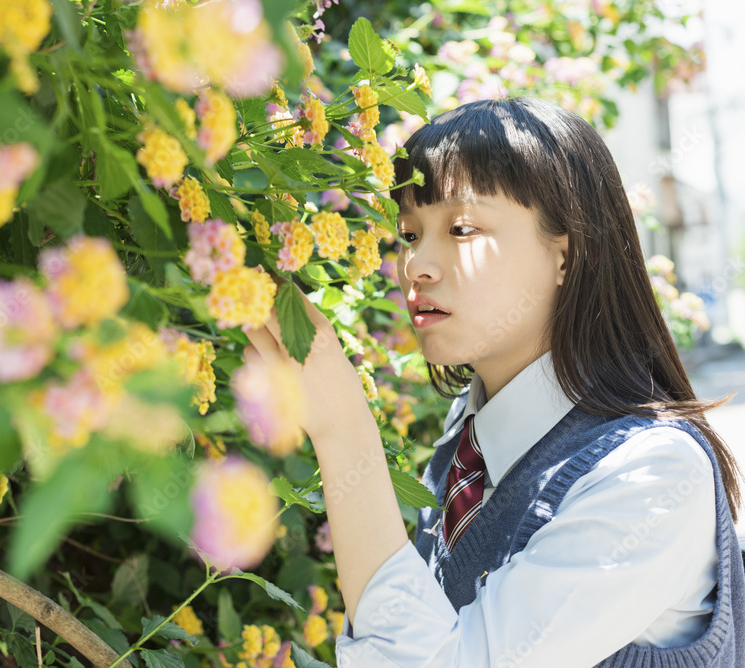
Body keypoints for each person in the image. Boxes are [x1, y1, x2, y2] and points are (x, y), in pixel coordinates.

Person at [242, 95, 745, 667]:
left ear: (566, 255)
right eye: (409, 234)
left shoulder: (650, 474)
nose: (416, 266)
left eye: (461, 228)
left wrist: (342, 431)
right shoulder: (470, 432)